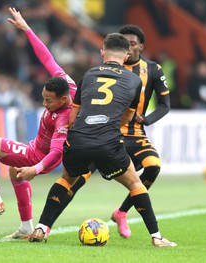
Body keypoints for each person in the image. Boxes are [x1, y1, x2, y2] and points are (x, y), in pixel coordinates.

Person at [28, 32, 176, 247]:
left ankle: (41, 228)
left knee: (66, 180)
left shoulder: (88, 75)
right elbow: (127, 117)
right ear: (126, 55)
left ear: (102, 52)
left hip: (78, 140)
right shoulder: (134, 80)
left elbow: (72, 116)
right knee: (135, 183)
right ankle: (156, 237)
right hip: (108, 142)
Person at [0, 7, 77, 240]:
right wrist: (27, 30)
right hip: (35, 148)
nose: (44, 104)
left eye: (48, 101)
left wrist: (36, 169)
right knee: (16, 175)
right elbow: (47, 57)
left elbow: (56, 153)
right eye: (43, 98)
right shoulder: (66, 84)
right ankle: (27, 227)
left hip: (38, 156)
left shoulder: (65, 116)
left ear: (63, 100)